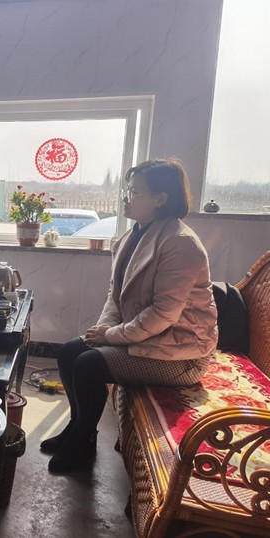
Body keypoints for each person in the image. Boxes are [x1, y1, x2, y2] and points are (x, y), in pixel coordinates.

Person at [40, 158, 218, 473]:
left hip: (180, 352)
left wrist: (110, 336)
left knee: (88, 364)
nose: (126, 198)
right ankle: (78, 427)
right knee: (68, 352)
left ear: (160, 199)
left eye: (135, 192)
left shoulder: (181, 243)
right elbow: (116, 296)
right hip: (147, 337)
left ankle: (82, 441)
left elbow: (164, 313)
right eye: (128, 190)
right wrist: (104, 329)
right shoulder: (133, 236)